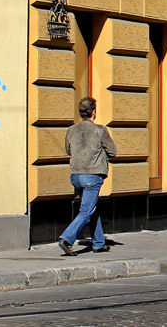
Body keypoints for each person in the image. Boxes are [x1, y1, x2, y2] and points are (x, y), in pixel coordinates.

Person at [59, 97, 117, 255]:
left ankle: (98, 243)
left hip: (76, 175)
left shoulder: (71, 130)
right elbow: (113, 151)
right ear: (94, 112)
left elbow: (68, 150)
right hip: (92, 175)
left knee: (92, 208)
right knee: (86, 210)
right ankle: (66, 239)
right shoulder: (100, 130)